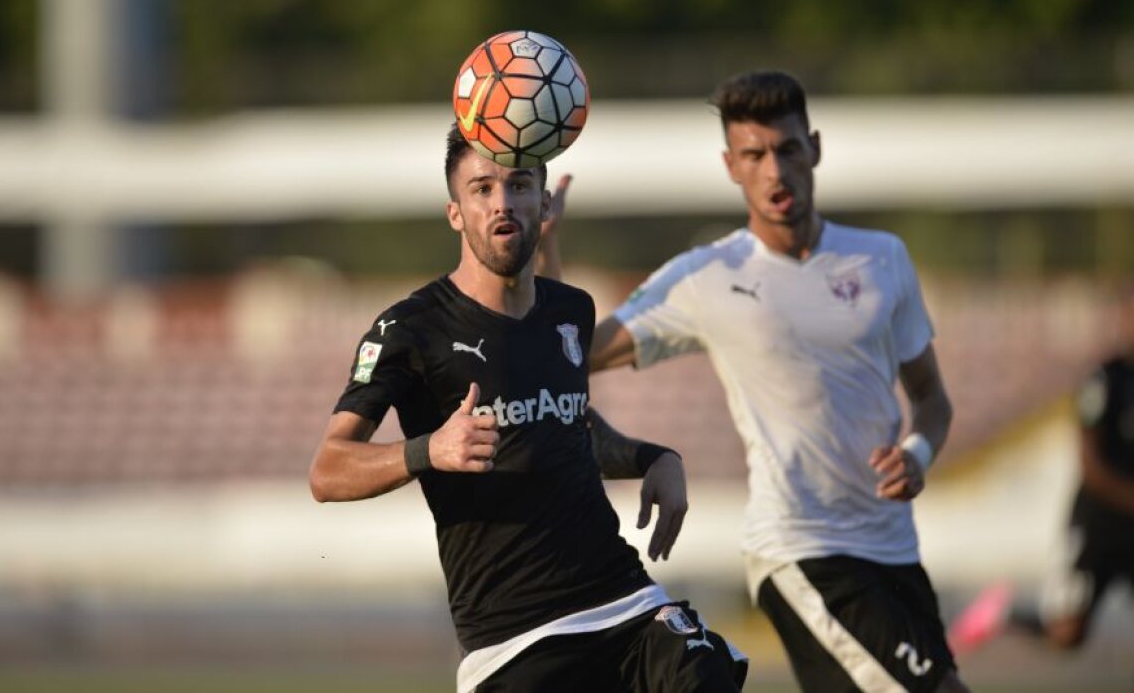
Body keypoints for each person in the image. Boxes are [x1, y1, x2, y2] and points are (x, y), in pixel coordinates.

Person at [541, 70, 971, 693]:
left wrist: (917, 452)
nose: (774, 170)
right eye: (754, 155)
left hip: (895, 552)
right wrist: (548, 247)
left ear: (815, 148)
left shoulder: (883, 259)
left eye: (788, 149)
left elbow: (932, 399)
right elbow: (571, 355)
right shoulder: (708, 275)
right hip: (800, 548)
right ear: (730, 165)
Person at [308, 125, 748, 693]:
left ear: (543, 202)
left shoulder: (571, 309)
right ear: (455, 213)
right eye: (482, 188)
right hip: (515, 640)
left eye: (518, 185)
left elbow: (565, 427)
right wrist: (429, 450)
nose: (502, 202)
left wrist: (653, 456)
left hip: (623, 599)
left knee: (705, 674)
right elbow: (327, 470)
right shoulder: (409, 329)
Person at [948, 285, 1134, 655]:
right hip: (1099, 525)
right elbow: (1090, 461)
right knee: (1068, 633)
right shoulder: (1107, 378)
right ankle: (1005, 615)